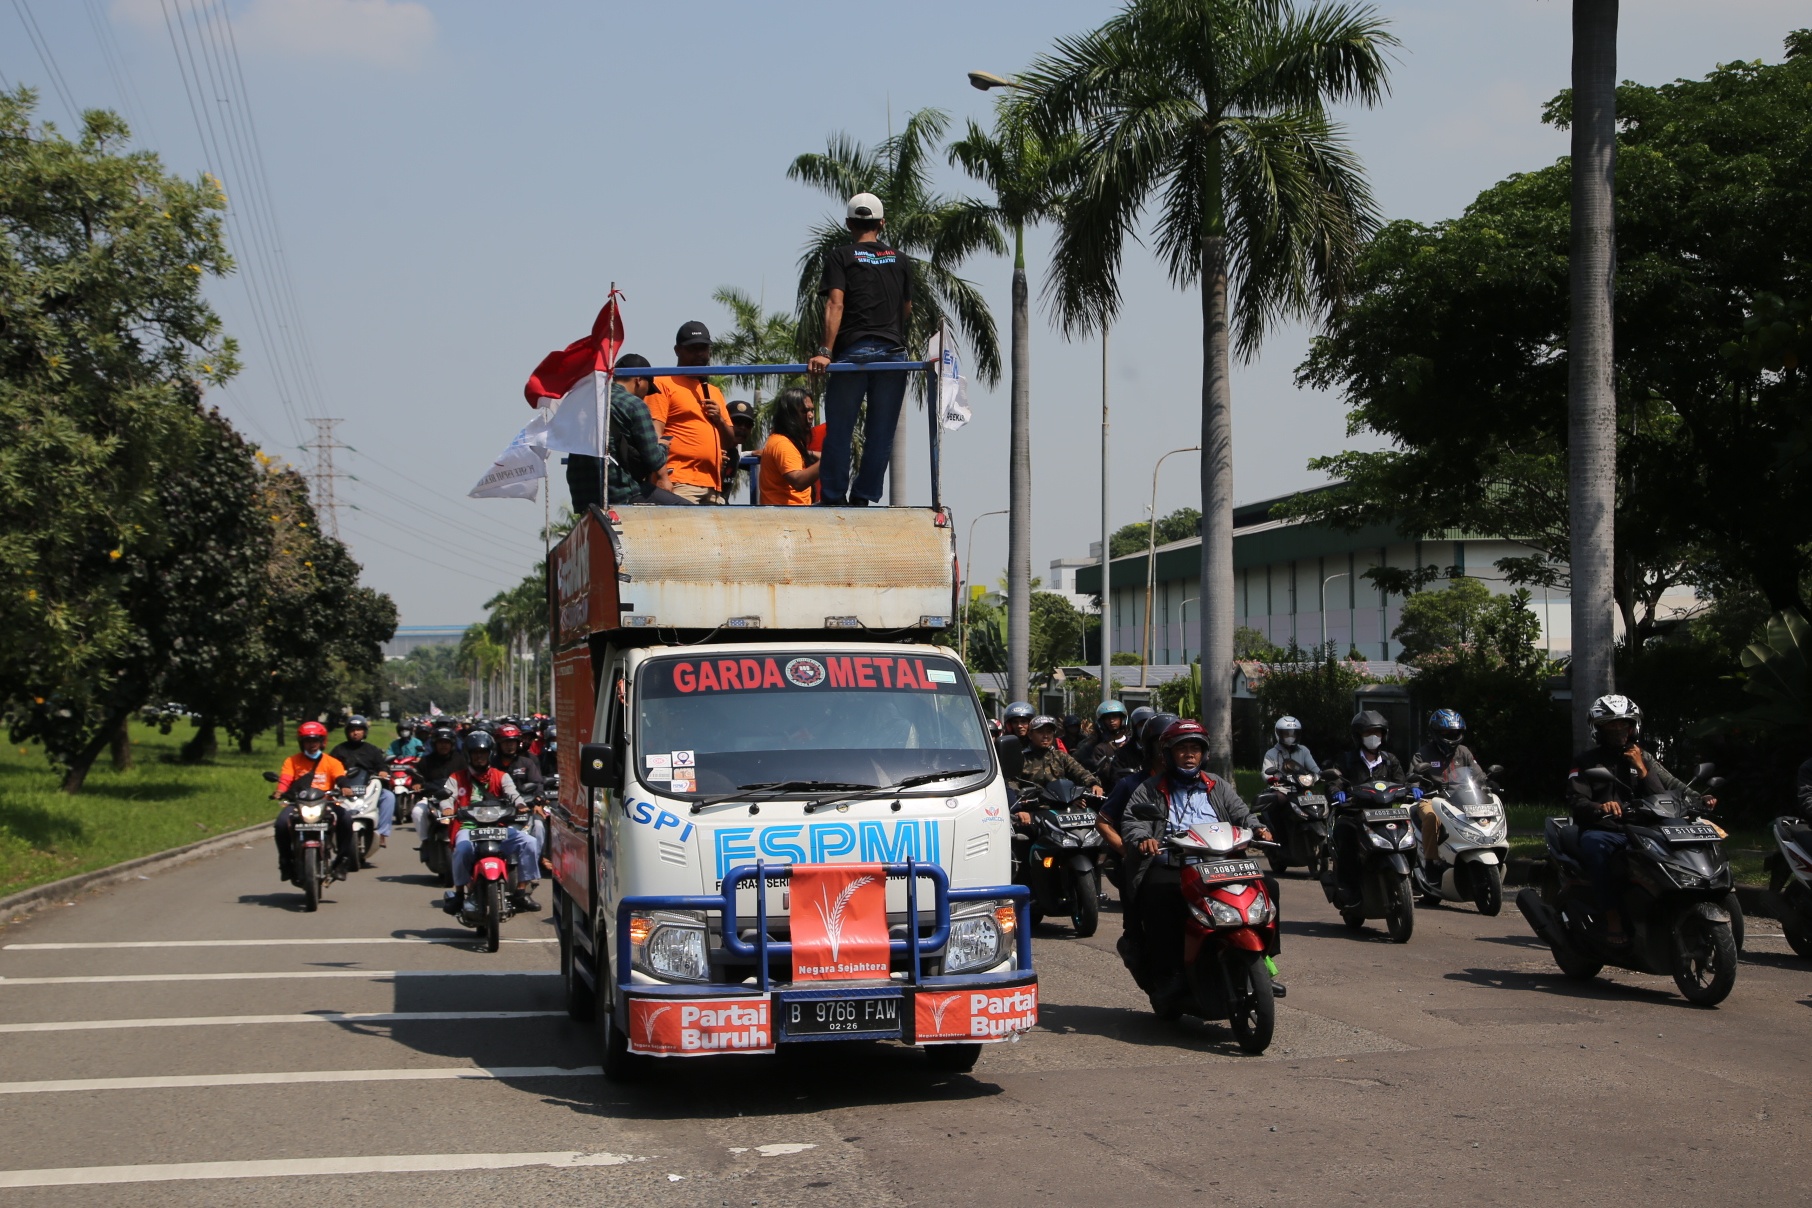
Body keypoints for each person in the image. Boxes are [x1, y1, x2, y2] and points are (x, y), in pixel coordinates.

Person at [1119, 719, 1267, 998]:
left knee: (1269, 887)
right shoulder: (1149, 788)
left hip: (1221, 863)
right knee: (1160, 895)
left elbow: (1241, 813)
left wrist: (1257, 826)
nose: (1189, 755)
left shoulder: (1217, 785)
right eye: (1182, 749)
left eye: (1195, 749)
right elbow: (1133, 821)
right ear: (1168, 754)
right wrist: (1143, 839)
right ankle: (1169, 971)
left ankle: (1263, 960)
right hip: (1173, 863)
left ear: (1204, 754)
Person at [1568, 694, 1715, 943]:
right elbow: (1576, 800)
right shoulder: (1585, 762)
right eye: (1612, 724)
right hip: (1606, 829)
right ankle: (1612, 916)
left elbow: (1669, 789)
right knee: (1596, 848)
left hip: (1645, 828)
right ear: (1598, 728)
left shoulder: (1642, 757)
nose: (1619, 729)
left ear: (1633, 726)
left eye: (1624, 723)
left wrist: (1700, 799)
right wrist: (1601, 806)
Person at [807, 193, 913, 506]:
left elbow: (835, 302)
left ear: (849, 223)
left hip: (853, 353)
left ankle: (834, 496)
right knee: (881, 432)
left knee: (840, 428)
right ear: (882, 223)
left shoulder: (841, 255)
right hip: (893, 353)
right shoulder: (901, 259)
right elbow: (906, 308)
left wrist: (825, 351)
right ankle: (864, 496)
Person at [439, 731, 542, 915]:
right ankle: (460, 894)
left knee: (529, 842)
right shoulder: (456, 777)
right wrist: (447, 807)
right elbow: (447, 796)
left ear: (490, 754)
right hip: (468, 828)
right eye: (476, 753)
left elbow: (513, 793)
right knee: (461, 850)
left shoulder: (501, 776)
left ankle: (521, 891)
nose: (480, 757)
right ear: (468, 755)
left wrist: (520, 804)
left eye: (483, 753)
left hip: (498, 827)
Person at [646, 322, 737, 505]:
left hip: (713, 484)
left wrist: (719, 419)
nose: (700, 354)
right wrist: (662, 477)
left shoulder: (714, 391)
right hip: (679, 481)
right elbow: (655, 435)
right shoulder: (662, 383)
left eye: (703, 348)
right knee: (678, 532)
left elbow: (729, 442)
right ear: (677, 350)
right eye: (693, 349)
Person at [1327, 710, 1406, 908]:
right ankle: (1348, 888)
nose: (1374, 737)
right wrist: (1337, 792)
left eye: (1377, 732)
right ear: (1358, 736)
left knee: (1408, 837)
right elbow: (1334, 781)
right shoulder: (1346, 760)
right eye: (1368, 732)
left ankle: (1411, 879)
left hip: (1385, 815)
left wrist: (1412, 789)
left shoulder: (1390, 761)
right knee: (1345, 837)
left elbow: (1401, 783)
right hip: (1354, 814)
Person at [272, 721, 355, 881]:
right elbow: (285, 779)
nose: (312, 745)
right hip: (299, 804)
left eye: (315, 741)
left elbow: (340, 777)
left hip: (327, 803)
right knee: (281, 824)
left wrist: (345, 787)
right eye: (308, 741)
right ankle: (285, 862)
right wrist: (280, 791)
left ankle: (342, 862)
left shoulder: (332, 762)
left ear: (322, 742)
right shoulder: (292, 761)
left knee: (346, 819)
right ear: (301, 742)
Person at [1409, 709, 1479, 869]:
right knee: (1431, 818)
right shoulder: (1423, 753)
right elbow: (1413, 774)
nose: (1451, 735)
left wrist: (1487, 783)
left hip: (1461, 799)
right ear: (1435, 732)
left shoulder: (1464, 752)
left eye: (1455, 732)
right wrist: (1414, 787)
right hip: (1432, 800)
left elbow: (1477, 774)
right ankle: (1431, 862)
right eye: (1446, 732)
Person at [1012, 717, 1103, 818]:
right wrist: (1019, 806)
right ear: (1030, 735)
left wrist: (1093, 784)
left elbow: (1079, 771)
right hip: (1033, 812)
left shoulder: (1060, 756)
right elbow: (1011, 784)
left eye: (1049, 732)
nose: (1045, 736)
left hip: (1061, 809)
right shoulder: (1021, 758)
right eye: (1040, 732)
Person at [331, 716, 396, 850]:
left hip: (369, 787)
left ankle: (382, 833)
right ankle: (330, 834)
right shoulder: (338, 750)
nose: (355, 733)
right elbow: (330, 767)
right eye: (352, 730)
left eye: (359, 730)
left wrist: (383, 771)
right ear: (347, 732)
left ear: (364, 732)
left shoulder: (372, 750)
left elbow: (382, 766)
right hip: (345, 787)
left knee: (389, 797)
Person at [758, 388, 822, 506]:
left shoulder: (787, 441)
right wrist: (827, 461)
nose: (811, 415)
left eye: (812, 410)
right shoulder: (783, 444)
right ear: (790, 415)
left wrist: (809, 453)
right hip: (787, 517)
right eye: (804, 411)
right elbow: (798, 481)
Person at [411, 724, 467, 850]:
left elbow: (469, 778)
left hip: (457, 799)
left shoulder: (461, 761)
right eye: (440, 742)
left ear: (452, 744)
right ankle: (425, 841)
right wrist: (416, 784)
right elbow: (417, 777)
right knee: (417, 812)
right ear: (434, 744)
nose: (443, 745)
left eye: (446, 742)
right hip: (432, 798)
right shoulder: (425, 761)